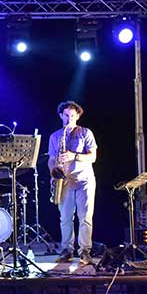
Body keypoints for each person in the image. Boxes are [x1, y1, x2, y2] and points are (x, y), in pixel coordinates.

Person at [48, 100, 97, 265]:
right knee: (65, 218)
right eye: (66, 115)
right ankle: (67, 250)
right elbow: (51, 159)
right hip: (65, 182)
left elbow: (93, 157)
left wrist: (74, 156)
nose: (69, 119)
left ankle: (85, 251)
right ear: (61, 116)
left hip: (84, 180)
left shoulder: (85, 132)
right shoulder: (55, 136)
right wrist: (53, 171)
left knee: (85, 218)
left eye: (72, 116)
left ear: (77, 116)